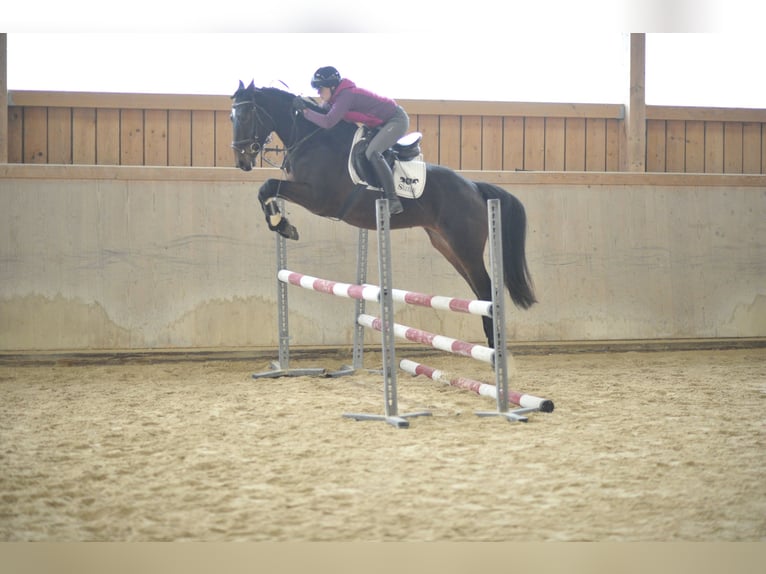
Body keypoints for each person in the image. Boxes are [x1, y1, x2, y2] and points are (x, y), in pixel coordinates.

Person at [295, 66, 408, 215]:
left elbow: (328, 122)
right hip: (379, 125)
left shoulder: (345, 96)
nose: (318, 92)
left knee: (372, 152)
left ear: (332, 86)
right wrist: (304, 104)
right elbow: (321, 111)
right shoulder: (335, 99)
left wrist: (305, 112)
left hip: (396, 120)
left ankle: (393, 199)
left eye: (320, 88)